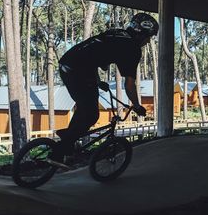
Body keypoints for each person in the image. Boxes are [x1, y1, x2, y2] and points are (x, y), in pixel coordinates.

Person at [56, 12, 159, 154]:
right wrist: (136, 106)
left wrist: (97, 82)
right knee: (92, 115)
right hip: (77, 70)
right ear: (141, 34)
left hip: (67, 63)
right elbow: (129, 85)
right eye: (149, 37)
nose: (148, 42)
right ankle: (63, 146)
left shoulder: (117, 33)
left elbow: (92, 56)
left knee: (84, 109)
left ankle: (67, 143)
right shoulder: (132, 49)